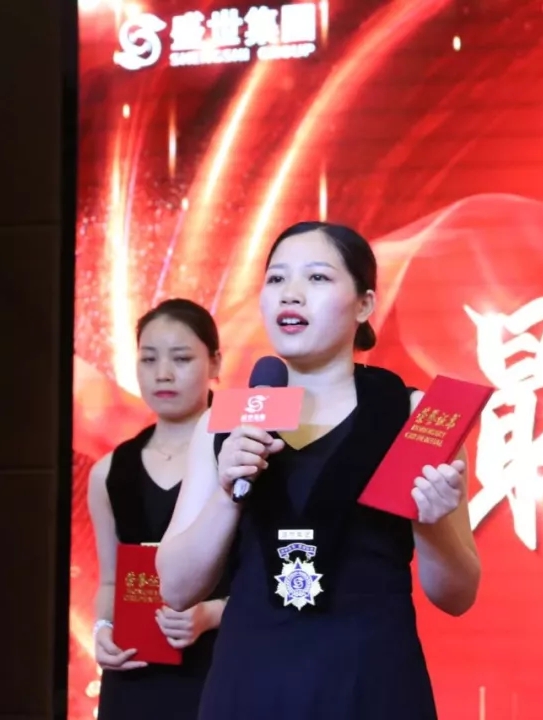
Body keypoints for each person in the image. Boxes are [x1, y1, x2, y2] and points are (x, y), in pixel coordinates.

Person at [157, 221, 482, 719]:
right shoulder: (224, 421)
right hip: (250, 687)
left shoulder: (416, 415)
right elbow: (176, 589)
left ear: (364, 304)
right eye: (276, 278)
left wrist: (431, 522)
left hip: (371, 686)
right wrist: (227, 491)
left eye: (317, 278)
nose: (291, 293)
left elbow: (458, 596)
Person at [88, 298, 229, 719]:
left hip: (221, 665)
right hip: (134, 672)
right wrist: (103, 630)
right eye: (149, 359)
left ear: (215, 362)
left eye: (181, 359)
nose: (162, 373)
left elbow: (267, 580)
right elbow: (110, 580)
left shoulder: (243, 454)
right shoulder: (109, 471)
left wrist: (211, 614)